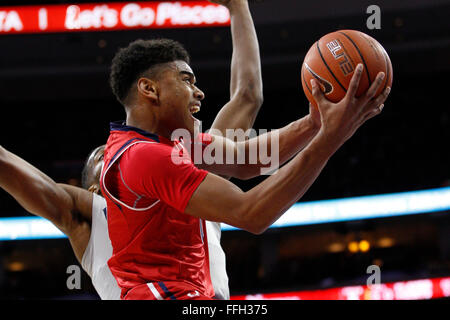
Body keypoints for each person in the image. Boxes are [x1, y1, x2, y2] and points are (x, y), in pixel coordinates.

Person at [100, 2, 391, 301]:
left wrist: (316, 123)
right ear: (149, 89)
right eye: (186, 80)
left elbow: (248, 160)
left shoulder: (171, 144)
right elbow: (251, 213)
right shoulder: (143, 156)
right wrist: (329, 139)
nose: (198, 92)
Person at [0, 0, 271, 300]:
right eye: (106, 157)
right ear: (93, 188)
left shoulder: (182, 173)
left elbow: (247, 97)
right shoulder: (90, 216)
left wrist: (238, 7)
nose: (120, 154)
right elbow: (14, 170)